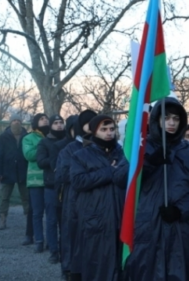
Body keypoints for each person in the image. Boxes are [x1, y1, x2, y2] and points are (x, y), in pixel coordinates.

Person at [117, 97, 189, 281]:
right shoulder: (140, 148)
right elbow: (121, 179)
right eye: (166, 117)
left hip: (182, 228)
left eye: (176, 119)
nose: (171, 123)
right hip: (147, 227)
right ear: (156, 119)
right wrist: (147, 163)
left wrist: (181, 209)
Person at [71, 115, 126, 281]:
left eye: (111, 129)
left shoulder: (124, 153)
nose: (109, 133)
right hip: (95, 218)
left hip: (121, 215)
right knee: (97, 262)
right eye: (103, 129)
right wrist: (109, 172)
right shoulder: (81, 155)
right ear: (95, 131)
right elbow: (78, 181)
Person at [55, 110, 97, 280]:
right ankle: (71, 270)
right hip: (75, 200)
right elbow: (62, 174)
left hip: (98, 201)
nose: (93, 126)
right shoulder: (70, 149)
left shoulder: (106, 147)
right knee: (73, 237)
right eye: (89, 122)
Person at [0, 114, 30, 243]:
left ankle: (28, 221)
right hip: (7, 172)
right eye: (14, 120)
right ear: (10, 122)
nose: (16, 122)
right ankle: (2, 220)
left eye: (18, 120)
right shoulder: (3, 137)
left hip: (23, 171)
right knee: (4, 197)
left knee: (26, 198)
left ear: (21, 122)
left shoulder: (27, 136)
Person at [36, 114, 66, 264]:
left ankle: (65, 250)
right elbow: (40, 161)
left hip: (67, 186)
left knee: (65, 220)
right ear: (51, 126)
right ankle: (54, 251)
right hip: (51, 186)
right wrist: (57, 160)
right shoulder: (44, 142)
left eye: (61, 122)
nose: (59, 125)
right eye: (56, 123)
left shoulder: (68, 141)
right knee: (52, 220)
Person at [22, 113, 50, 250]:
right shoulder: (28, 138)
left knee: (52, 214)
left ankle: (51, 242)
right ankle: (38, 240)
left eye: (46, 119)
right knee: (37, 213)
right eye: (41, 119)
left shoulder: (53, 136)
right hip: (36, 181)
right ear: (35, 122)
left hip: (51, 180)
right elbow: (29, 155)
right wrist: (44, 145)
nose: (45, 120)